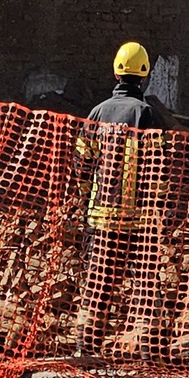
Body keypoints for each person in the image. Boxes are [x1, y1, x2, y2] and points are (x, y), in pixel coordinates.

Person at [75, 41, 166, 352]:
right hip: (139, 224)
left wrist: (86, 201)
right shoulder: (147, 115)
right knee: (144, 286)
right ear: (144, 75)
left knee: (98, 285)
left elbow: (82, 165)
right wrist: (161, 212)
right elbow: (159, 170)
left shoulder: (97, 113)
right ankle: (147, 351)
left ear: (116, 73)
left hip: (101, 220)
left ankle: (87, 348)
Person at [87, 42, 169, 129]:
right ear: (144, 78)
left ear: (116, 75)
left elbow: (81, 142)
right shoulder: (148, 114)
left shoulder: (97, 112)